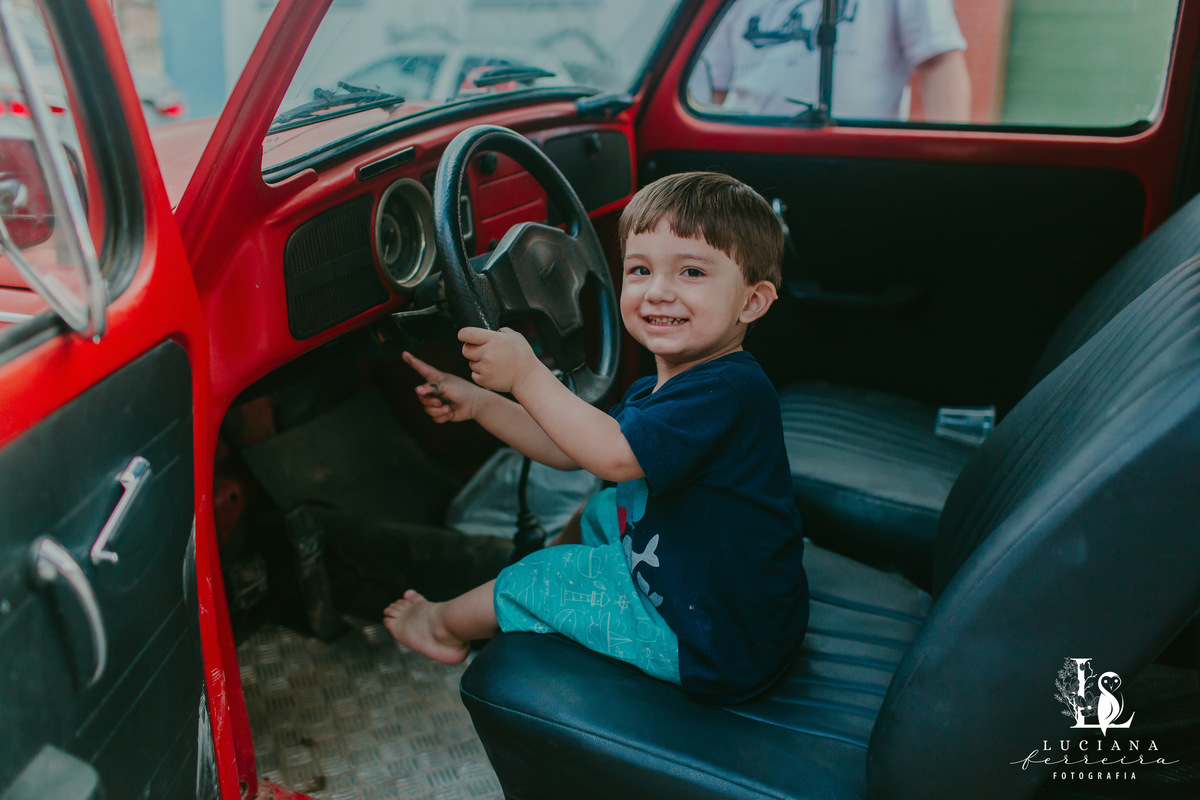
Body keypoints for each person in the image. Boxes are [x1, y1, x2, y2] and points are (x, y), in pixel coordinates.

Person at [384, 172, 809, 701]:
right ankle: (560, 585)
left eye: (692, 272)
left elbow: (611, 456)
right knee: (600, 510)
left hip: (713, 642)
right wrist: (481, 403)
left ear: (752, 302)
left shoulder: (726, 392)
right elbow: (572, 449)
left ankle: (441, 627)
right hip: (725, 600)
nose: (657, 291)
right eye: (640, 269)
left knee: (534, 578)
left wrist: (526, 374)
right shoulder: (674, 386)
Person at [692, 0, 971, 122]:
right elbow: (711, 85)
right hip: (753, 153)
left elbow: (939, 61)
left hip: (856, 160)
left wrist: (950, 171)